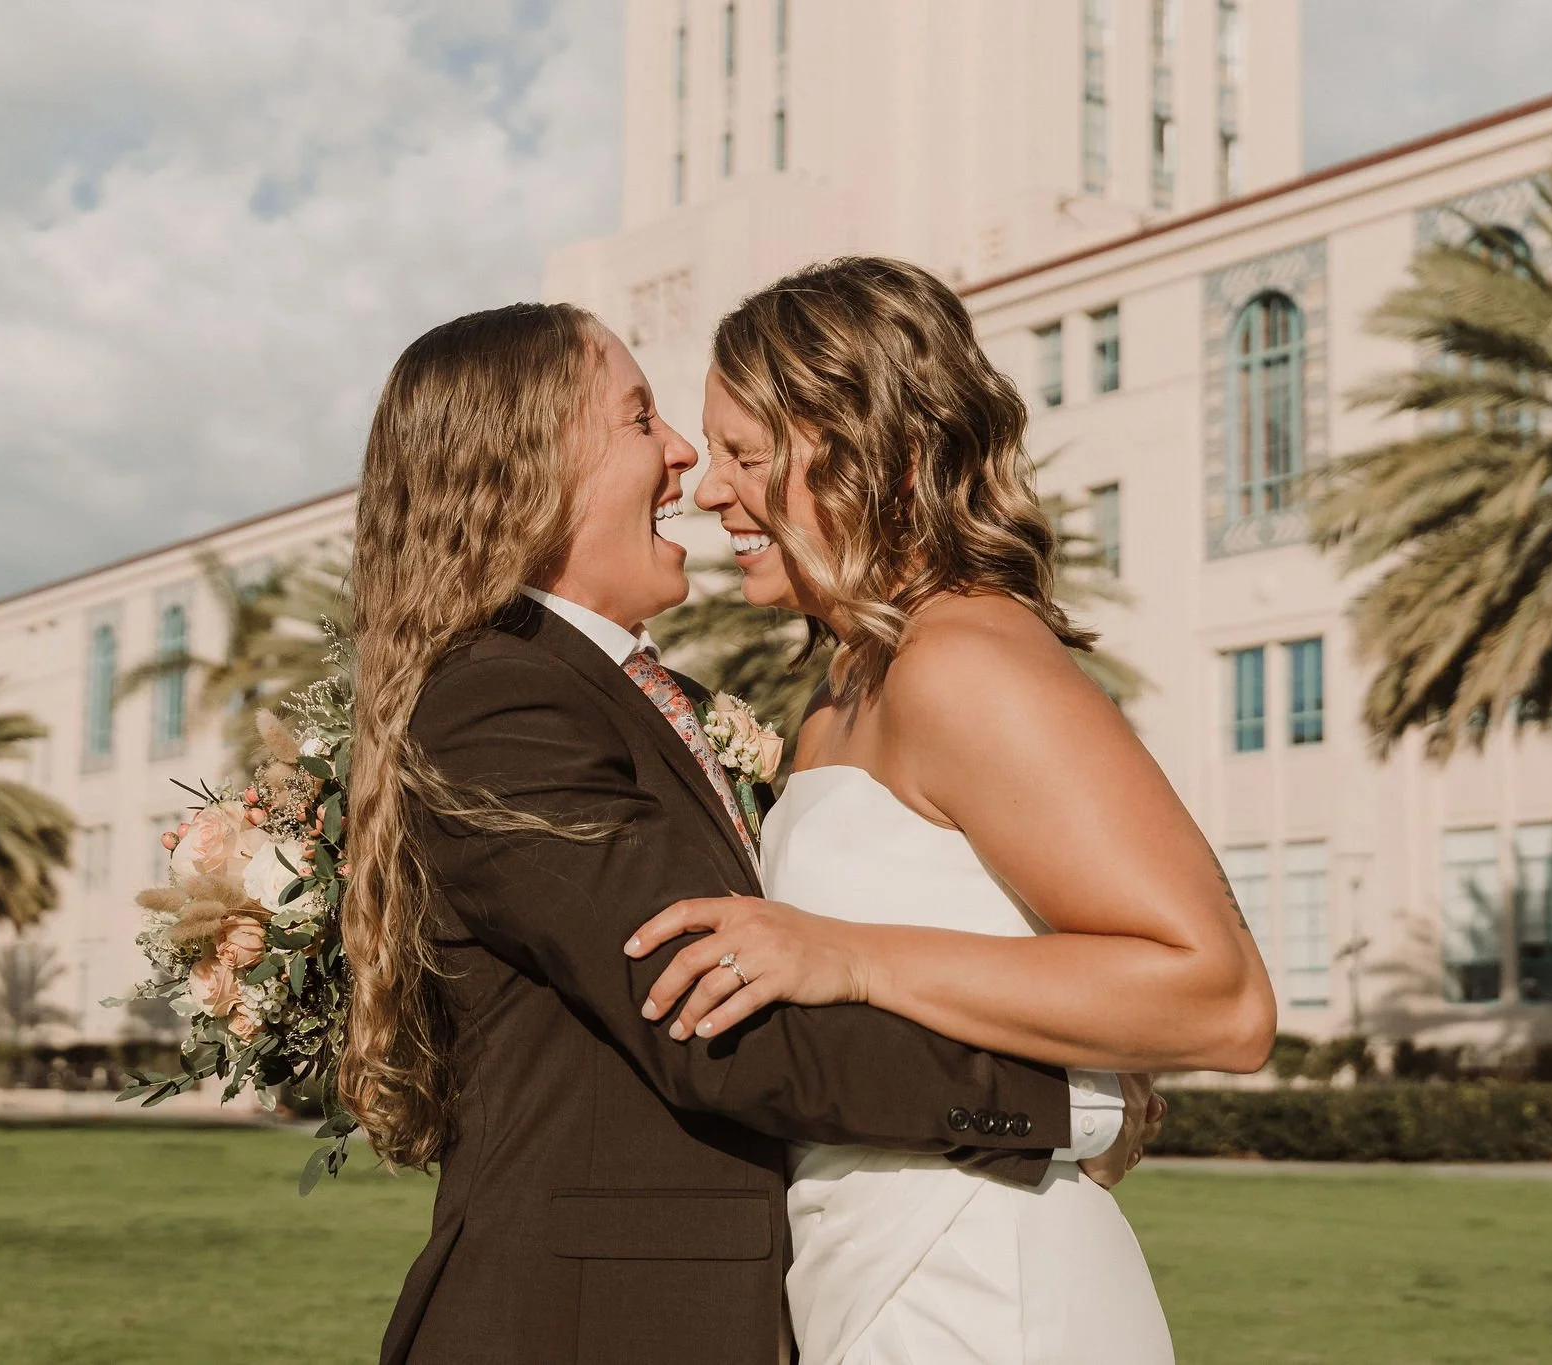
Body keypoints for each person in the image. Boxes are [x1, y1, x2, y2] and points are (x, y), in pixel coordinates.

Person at [341, 301, 1158, 1365]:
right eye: (640, 420)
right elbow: (715, 1018)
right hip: (584, 1326)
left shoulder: (636, 696)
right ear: (522, 463)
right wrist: (1069, 1101)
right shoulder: (503, 703)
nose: (683, 456)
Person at [629, 256, 1278, 1364]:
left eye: (745, 455)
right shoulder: (843, 689)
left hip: (987, 1285)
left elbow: (1216, 997)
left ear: (876, 449)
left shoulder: (962, 660)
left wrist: (848, 956)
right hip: (867, 1273)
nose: (706, 493)